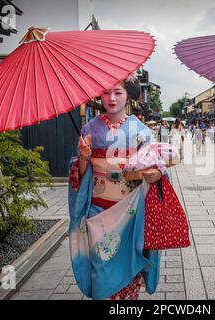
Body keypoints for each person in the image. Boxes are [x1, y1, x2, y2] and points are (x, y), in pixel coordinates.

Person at [68, 76, 163, 300]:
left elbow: (156, 169)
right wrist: (83, 158)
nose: (111, 98)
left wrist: (154, 174)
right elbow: (81, 174)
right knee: (101, 270)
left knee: (129, 271)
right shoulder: (90, 128)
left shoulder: (141, 131)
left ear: (128, 95)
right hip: (98, 210)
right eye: (105, 92)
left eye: (118, 92)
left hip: (130, 211)